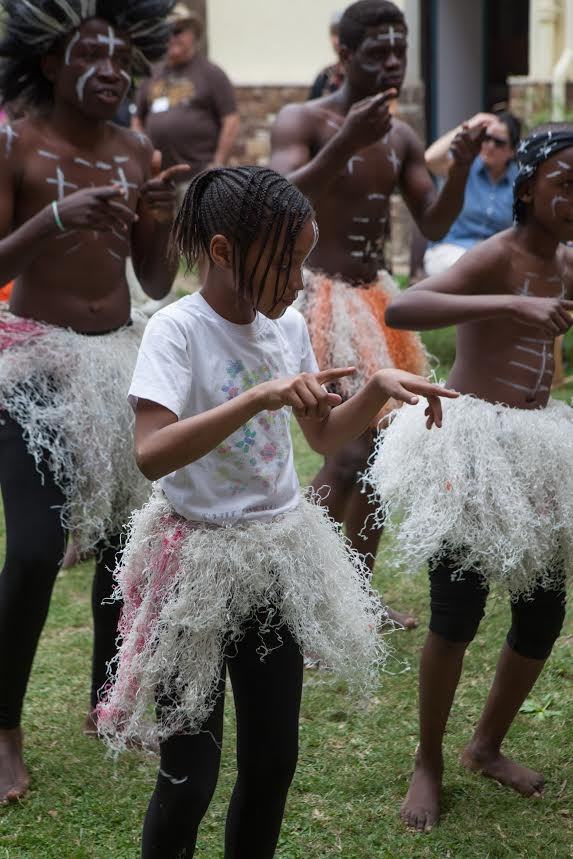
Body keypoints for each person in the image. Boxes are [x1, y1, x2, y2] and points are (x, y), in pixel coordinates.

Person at [96, 165, 456, 857]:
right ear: (225, 251)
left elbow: (321, 434)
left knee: (272, 760)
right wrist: (257, 398)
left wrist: (375, 387)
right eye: (286, 260)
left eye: (303, 258)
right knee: (187, 777)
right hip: (191, 569)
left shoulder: (284, 327)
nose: (299, 279)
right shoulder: (178, 330)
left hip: (272, 560)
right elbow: (151, 452)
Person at [0, 0, 189, 803]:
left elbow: (152, 280)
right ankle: (3, 727)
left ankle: (106, 700)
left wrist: (160, 219)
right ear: (51, 63)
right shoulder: (15, 139)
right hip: (32, 362)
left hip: (118, 358)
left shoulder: (136, 147)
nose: (112, 69)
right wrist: (56, 216)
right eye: (93, 54)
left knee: (122, 543)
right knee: (38, 547)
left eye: (123, 57)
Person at [366, 125, 573, 833]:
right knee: (456, 611)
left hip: (537, 447)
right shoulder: (496, 255)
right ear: (527, 188)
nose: (572, 196)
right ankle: (427, 758)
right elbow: (404, 308)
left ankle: (484, 745)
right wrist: (508, 305)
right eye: (563, 181)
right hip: (471, 443)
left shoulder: (566, 261)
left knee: (543, 607)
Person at [269, 0, 485, 628]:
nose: (392, 60)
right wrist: (344, 140)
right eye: (377, 51)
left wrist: (465, 167)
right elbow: (280, 197)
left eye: (401, 49)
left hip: (377, 303)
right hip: (321, 300)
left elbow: (435, 220)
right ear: (343, 53)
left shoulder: (402, 134)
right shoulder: (301, 118)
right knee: (344, 456)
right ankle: (300, 603)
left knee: (379, 458)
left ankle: (355, 600)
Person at [134, 3, 240, 193]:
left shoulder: (211, 73)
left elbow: (230, 120)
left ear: (193, 34)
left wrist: (217, 163)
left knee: (196, 223)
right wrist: (143, 153)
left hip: (198, 178)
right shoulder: (152, 74)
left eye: (178, 31)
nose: (172, 38)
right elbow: (137, 119)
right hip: (158, 177)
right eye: (165, 33)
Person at [422, 111, 521, 276]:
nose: (489, 145)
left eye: (498, 142)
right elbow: (430, 159)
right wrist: (471, 124)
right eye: (486, 138)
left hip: (493, 258)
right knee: (469, 271)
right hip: (450, 250)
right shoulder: (463, 164)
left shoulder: (519, 182)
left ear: (512, 150)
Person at [308, 11, 345, 100]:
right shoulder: (325, 76)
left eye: (341, 33)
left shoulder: (361, 75)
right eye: (333, 33)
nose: (336, 40)